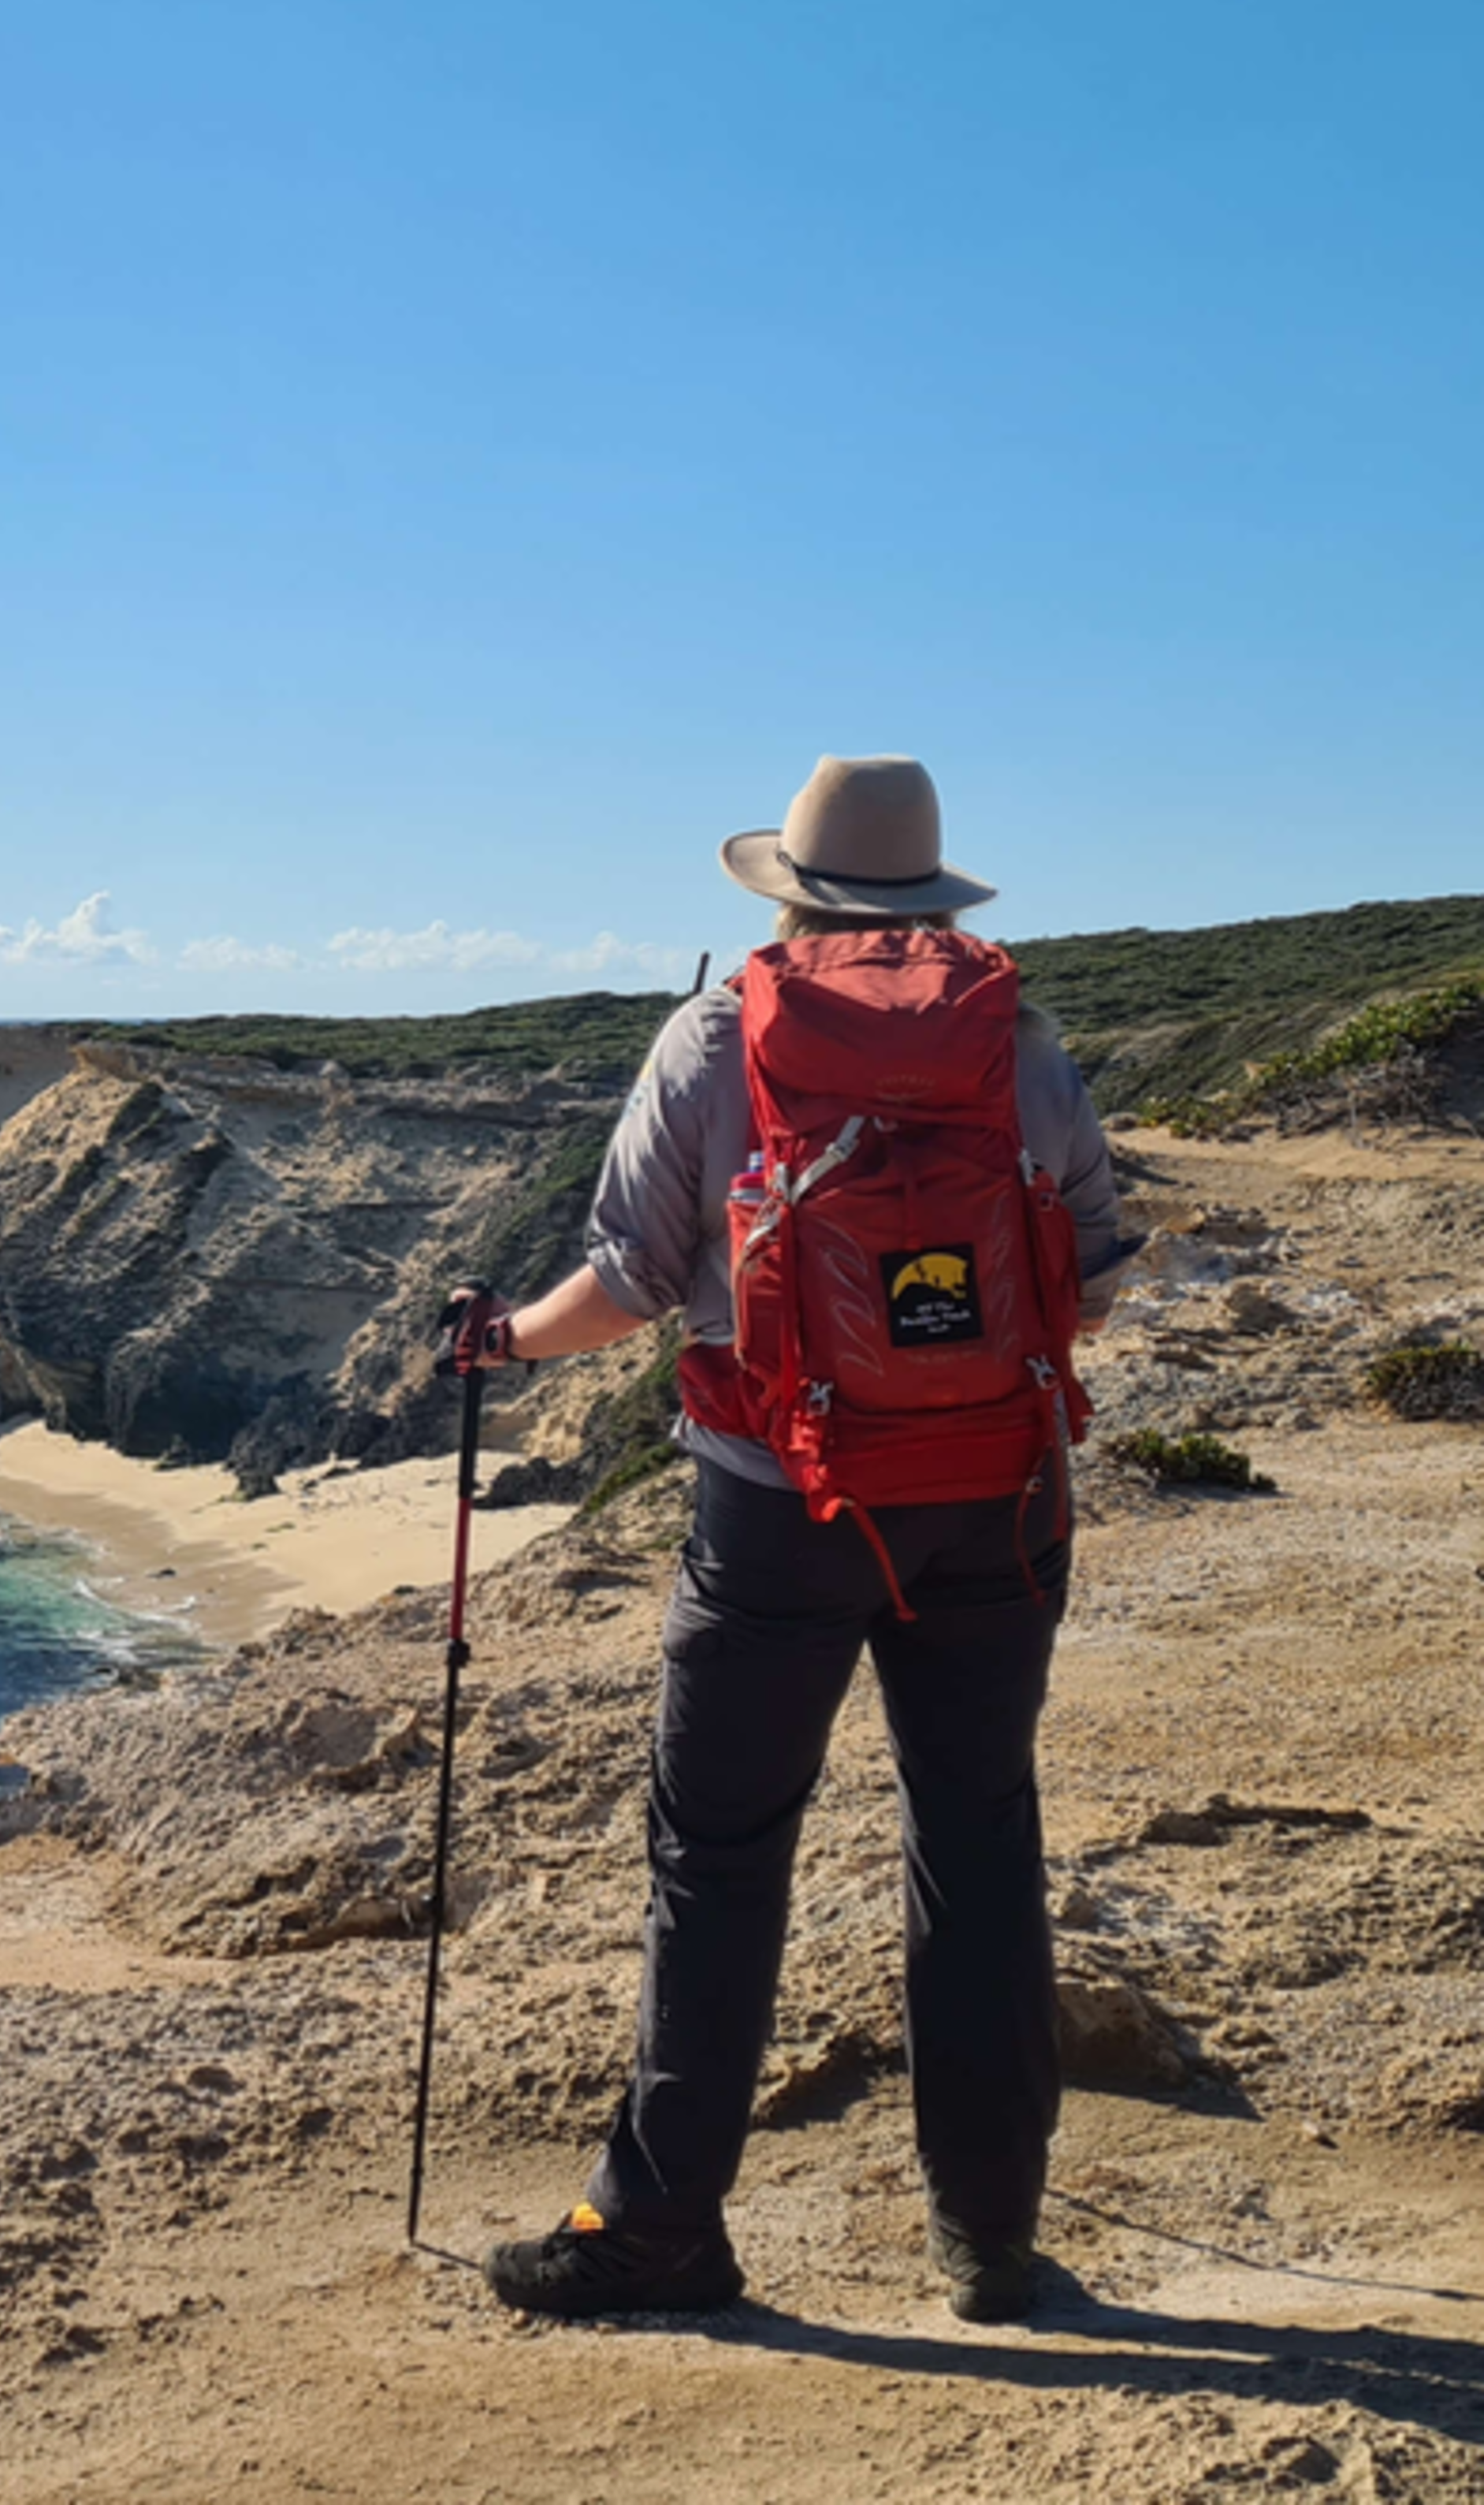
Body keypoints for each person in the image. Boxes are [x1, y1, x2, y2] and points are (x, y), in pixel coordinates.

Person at [463, 754, 1124, 2325]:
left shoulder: (714, 1036)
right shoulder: (1022, 1043)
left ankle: (663, 2226)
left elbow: (626, 1280)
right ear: (933, 896)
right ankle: (987, 2238)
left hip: (778, 1505)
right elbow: (1087, 1278)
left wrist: (505, 1344)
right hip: (999, 1497)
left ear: (793, 893)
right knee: (976, 1846)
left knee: (720, 1856)